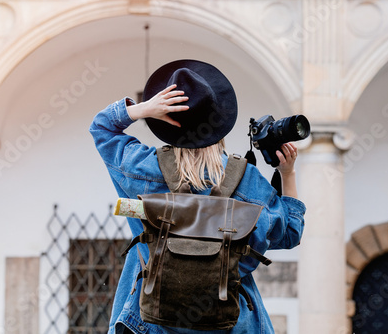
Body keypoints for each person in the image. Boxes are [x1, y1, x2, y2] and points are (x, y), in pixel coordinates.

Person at [90, 59, 306, 334]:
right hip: (231, 324)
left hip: (151, 324)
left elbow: (101, 128)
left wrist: (143, 109)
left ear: (166, 121)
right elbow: (289, 234)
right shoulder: (248, 182)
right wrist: (287, 174)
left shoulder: (142, 168)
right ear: (220, 121)